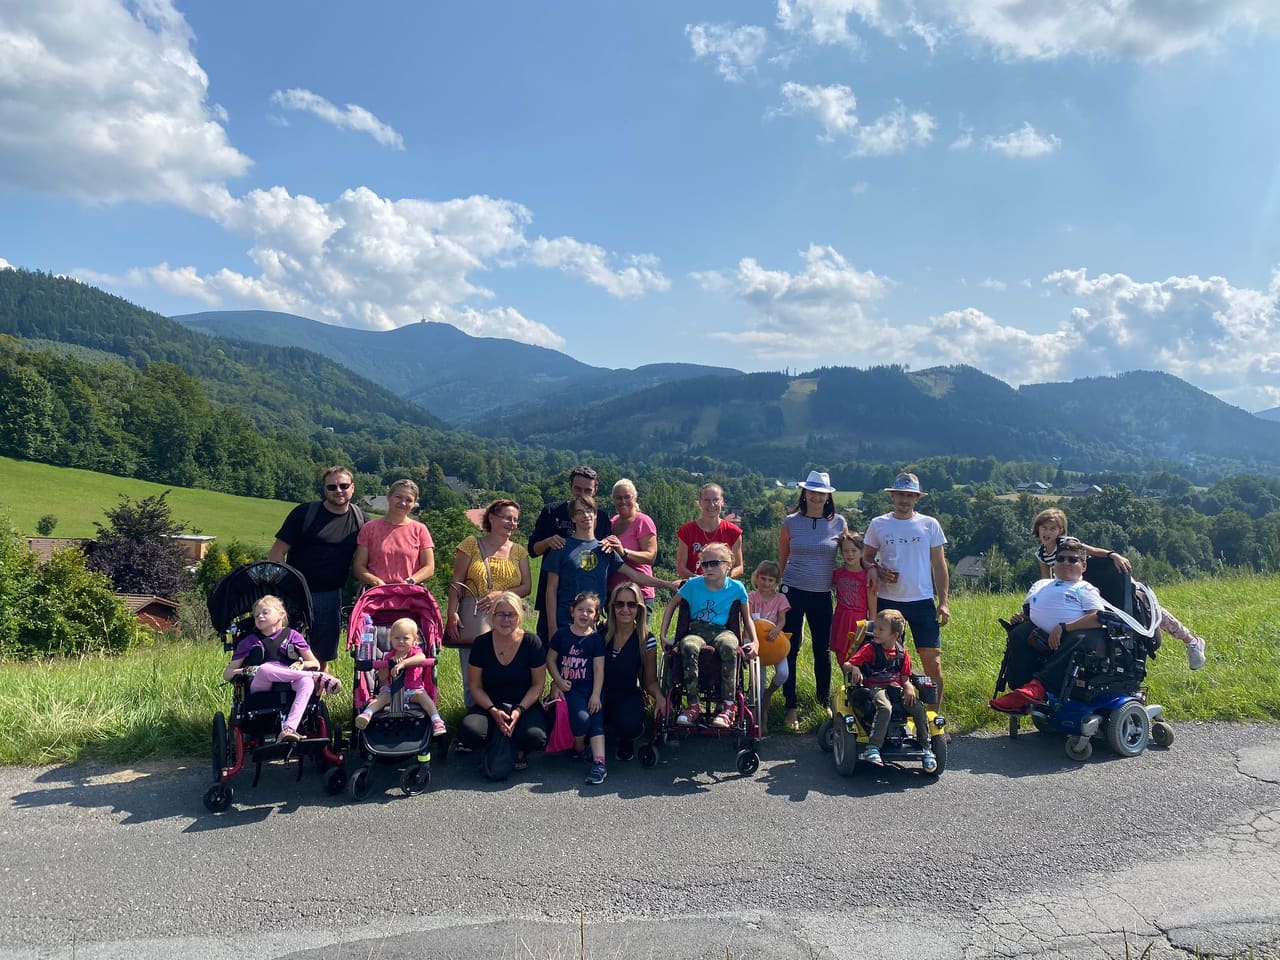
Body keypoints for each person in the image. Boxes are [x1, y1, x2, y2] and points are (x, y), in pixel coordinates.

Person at [1030, 508, 1206, 670]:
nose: (1047, 532)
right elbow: (1046, 581)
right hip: (1077, 589)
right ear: (1038, 528)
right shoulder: (1042, 553)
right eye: (1044, 528)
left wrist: (1113, 555)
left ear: (1060, 531)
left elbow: (1093, 551)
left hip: (1104, 580)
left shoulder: (1067, 543)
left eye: (1052, 529)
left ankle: (1191, 641)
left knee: (1147, 609)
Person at [862, 472, 949, 713]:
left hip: (921, 600)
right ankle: (894, 715)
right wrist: (878, 570)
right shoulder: (879, 524)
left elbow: (939, 565)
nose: (904, 500)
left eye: (910, 495)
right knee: (888, 663)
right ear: (892, 496)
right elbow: (866, 558)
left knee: (933, 663)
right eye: (900, 494)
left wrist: (943, 602)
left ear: (917, 498)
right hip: (888, 601)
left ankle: (932, 719)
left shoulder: (930, 524)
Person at [990, 537, 1109, 711]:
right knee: (1019, 632)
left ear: (1083, 566)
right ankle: (1021, 692)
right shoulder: (1041, 585)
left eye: (1072, 559)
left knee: (1081, 637)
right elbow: (1030, 612)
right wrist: (1022, 618)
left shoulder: (1085, 588)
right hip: (1040, 637)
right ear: (1054, 563)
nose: (1065, 563)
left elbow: (1097, 618)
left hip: (1070, 638)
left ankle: (1037, 688)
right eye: (1060, 559)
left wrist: (1063, 627)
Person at [268, 465, 366, 672]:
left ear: (353, 487)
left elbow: (365, 559)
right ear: (324, 489)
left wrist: (363, 585)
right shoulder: (305, 513)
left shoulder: (361, 519)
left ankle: (318, 691)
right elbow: (277, 553)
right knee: (285, 650)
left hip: (330, 595)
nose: (338, 490)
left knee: (322, 655)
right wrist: (283, 586)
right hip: (294, 593)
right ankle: (285, 689)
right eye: (332, 487)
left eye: (343, 485)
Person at [543, 496, 675, 640]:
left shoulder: (605, 550)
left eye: (589, 511)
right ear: (573, 518)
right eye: (580, 512)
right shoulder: (561, 548)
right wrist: (552, 627)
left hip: (594, 628)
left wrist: (669, 585)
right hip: (565, 625)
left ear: (595, 514)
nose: (586, 515)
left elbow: (635, 575)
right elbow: (551, 590)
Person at [444, 499, 531, 708]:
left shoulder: (519, 551)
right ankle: (474, 715)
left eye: (515, 520)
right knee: (472, 672)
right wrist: (452, 613)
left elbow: (527, 587)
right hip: (475, 617)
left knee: (504, 670)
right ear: (491, 517)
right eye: (507, 518)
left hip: (508, 619)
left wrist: (501, 594)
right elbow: (457, 582)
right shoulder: (471, 544)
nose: (512, 523)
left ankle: (503, 711)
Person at [660, 542, 756, 729]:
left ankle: (728, 706)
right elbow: (671, 605)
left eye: (714, 563)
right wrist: (663, 635)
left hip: (723, 630)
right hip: (696, 630)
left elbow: (747, 618)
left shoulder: (737, 588)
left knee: (730, 646)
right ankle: (693, 705)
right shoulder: (692, 585)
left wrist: (755, 641)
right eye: (705, 564)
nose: (708, 568)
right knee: (688, 645)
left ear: (728, 564)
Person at [779, 470, 847, 730]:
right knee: (790, 648)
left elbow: (850, 554)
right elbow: (783, 558)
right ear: (804, 494)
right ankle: (791, 705)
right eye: (812, 492)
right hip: (792, 590)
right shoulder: (790, 522)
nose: (816, 497)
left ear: (828, 496)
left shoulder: (839, 523)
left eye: (821, 493)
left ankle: (823, 701)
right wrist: (777, 589)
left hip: (822, 593)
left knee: (822, 649)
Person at [222, 595, 341, 742]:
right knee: (265, 669)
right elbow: (227, 674)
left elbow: (314, 663)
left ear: (281, 614)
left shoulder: (293, 636)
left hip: (289, 681)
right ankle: (315, 676)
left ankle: (289, 728)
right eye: (256, 615)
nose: (260, 617)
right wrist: (245, 670)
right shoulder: (249, 641)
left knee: (306, 682)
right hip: (261, 685)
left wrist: (301, 664)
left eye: (265, 612)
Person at [458, 592, 549, 774]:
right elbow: (475, 686)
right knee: (470, 731)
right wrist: (493, 710)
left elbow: (538, 685)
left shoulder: (532, 642)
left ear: (519, 617)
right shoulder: (481, 643)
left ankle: (515, 747)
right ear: (492, 616)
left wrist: (519, 710)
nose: (506, 620)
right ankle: (497, 742)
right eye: (501, 614)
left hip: (523, 706)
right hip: (489, 706)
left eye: (511, 614)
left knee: (536, 737)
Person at [841, 609, 936, 772]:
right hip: (875, 686)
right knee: (885, 707)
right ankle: (873, 747)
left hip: (895, 688)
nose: (875, 632)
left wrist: (909, 687)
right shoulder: (870, 648)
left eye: (881, 629)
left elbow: (905, 678)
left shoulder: (902, 654)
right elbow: (847, 664)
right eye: (875, 628)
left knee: (918, 708)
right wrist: (855, 668)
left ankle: (926, 747)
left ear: (894, 635)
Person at [529, 466, 613, 640]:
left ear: (595, 490)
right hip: (552, 599)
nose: (582, 494)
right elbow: (533, 550)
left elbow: (606, 554)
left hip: (588, 604)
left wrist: (615, 545)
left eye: (587, 490)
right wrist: (547, 542)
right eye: (577, 489)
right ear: (570, 487)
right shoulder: (551, 511)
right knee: (549, 647)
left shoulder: (602, 518)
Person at [547, 591, 609, 785]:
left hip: (591, 688)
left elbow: (599, 669)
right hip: (570, 688)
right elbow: (550, 659)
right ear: (572, 611)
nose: (584, 614)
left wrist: (596, 694)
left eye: (590, 611)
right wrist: (558, 680)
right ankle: (579, 747)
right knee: (582, 719)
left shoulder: (596, 639)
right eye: (580, 609)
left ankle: (599, 763)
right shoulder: (562, 635)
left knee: (596, 719)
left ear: (596, 615)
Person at [600, 581, 663, 762]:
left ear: (639, 608)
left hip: (627, 694)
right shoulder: (600, 632)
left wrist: (660, 697)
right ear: (612, 607)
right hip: (598, 694)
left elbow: (650, 681)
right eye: (620, 604)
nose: (625, 609)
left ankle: (626, 738)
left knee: (629, 725)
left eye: (631, 604)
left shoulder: (646, 640)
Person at [354, 617, 446, 737]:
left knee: (426, 699)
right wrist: (387, 666)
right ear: (391, 639)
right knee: (381, 698)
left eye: (405, 638)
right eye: (397, 638)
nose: (401, 641)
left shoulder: (415, 652)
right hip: (391, 691)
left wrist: (403, 663)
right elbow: (382, 678)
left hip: (414, 691)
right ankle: (367, 714)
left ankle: (436, 721)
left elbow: (422, 658)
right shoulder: (389, 656)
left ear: (415, 640)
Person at [353, 479, 435, 588]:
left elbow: (429, 567)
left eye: (409, 500)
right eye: (398, 497)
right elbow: (358, 566)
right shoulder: (370, 528)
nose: (403, 503)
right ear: (389, 497)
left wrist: (410, 581)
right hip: (376, 592)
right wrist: (376, 582)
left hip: (409, 592)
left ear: (414, 503)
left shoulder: (420, 530)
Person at [601, 478, 659, 612]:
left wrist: (624, 552)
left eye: (627, 497)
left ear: (635, 498)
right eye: (618, 498)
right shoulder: (612, 522)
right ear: (613, 500)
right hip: (614, 593)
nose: (623, 501)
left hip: (639, 593)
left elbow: (651, 557)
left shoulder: (643, 522)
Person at [676, 482, 744, 580]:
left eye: (716, 500)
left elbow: (739, 567)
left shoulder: (733, 532)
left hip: (723, 586)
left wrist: (721, 578)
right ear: (700, 502)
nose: (711, 504)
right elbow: (681, 568)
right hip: (694, 586)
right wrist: (701, 581)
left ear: (722, 501)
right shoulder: (686, 531)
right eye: (707, 500)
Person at [748, 560, 791, 704]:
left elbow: (782, 620)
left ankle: (768, 693)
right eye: (763, 578)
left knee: (783, 673)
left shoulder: (781, 598)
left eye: (770, 580)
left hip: (774, 640)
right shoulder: (751, 597)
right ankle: (757, 708)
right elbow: (748, 617)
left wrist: (777, 629)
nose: (766, 583)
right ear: (757, 577)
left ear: (776, 582)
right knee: (758, 678)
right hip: (756, 640)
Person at [831, 531, 876, 664]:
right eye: (846, 551)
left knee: (857, 658)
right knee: (841, 657)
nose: (849, 554)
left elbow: (873, 609)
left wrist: (871, 632)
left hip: (859, 623)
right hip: (841, 619)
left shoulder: (868, 576)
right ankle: (845, 677)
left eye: (854, 551)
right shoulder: (837, 574)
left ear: (862, 552)